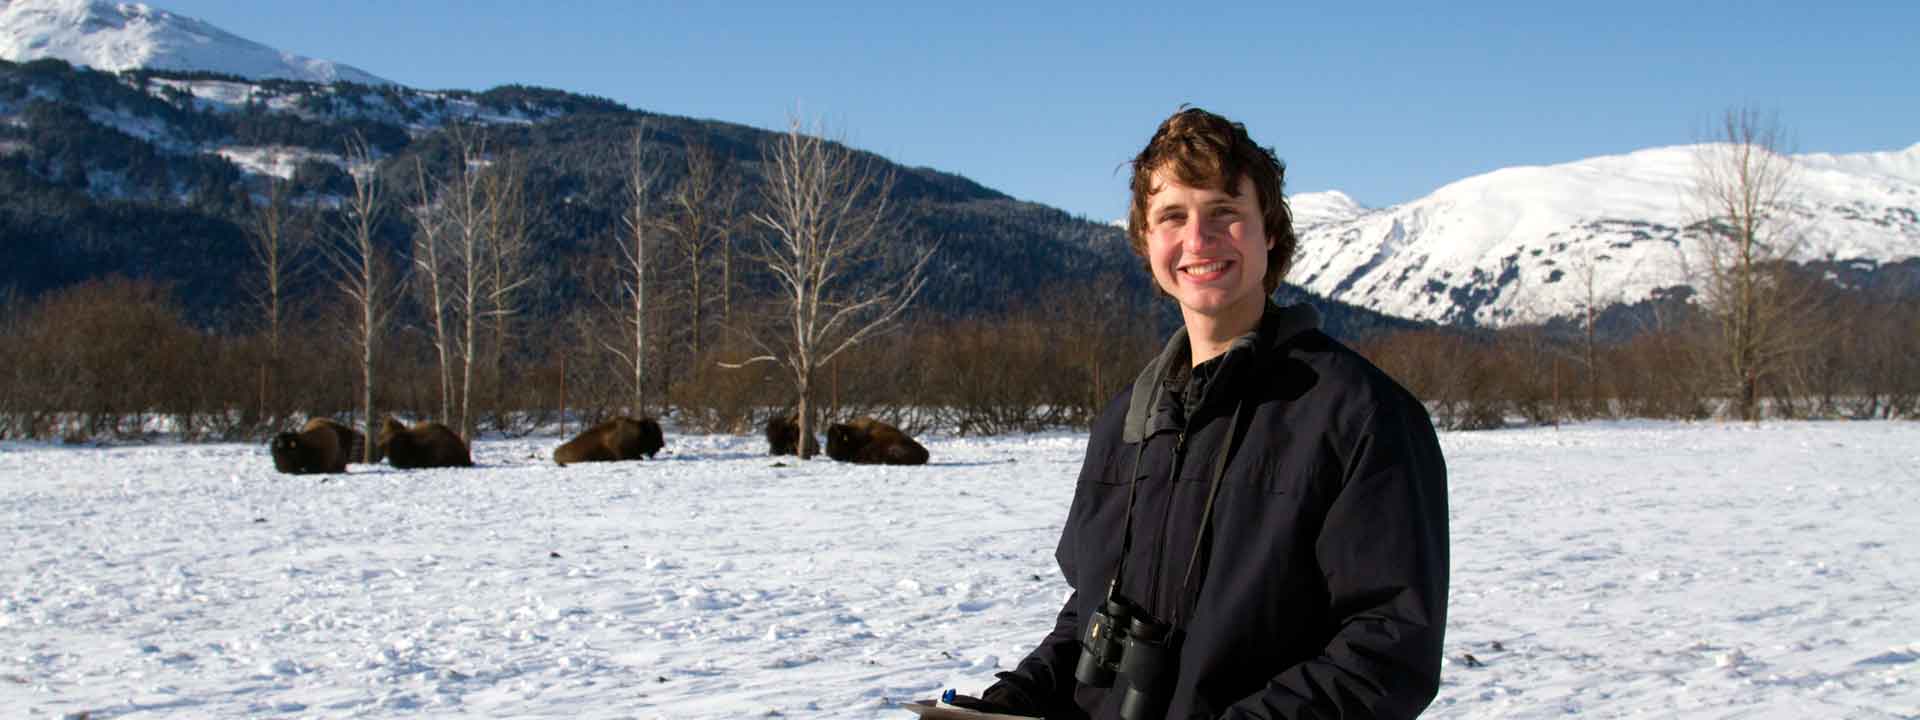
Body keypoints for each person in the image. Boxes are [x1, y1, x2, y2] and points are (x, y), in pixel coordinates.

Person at [946, 108, 1449, 719]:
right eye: (1172, 217)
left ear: (1269, 231)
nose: (1198, 240)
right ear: (1146, 241)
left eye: (1224, 213)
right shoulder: (1125, 421)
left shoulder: (1359, 416)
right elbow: (1089, 616)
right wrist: (1012, 703)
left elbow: (1386, 652)